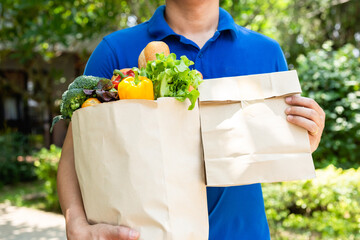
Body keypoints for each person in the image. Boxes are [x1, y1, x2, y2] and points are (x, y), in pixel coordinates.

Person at [57, 1, 326, 239]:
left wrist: (305, 139)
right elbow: (75, 153)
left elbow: (275, 152)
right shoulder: (114, 51)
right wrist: (76, 226)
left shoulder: (265, 52)